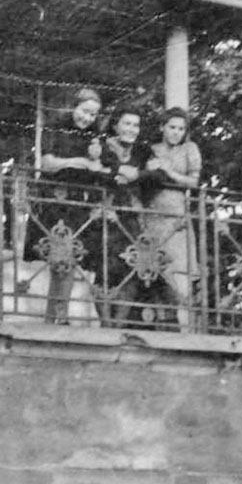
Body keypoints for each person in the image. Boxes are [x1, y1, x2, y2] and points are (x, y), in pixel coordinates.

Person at [33, 88, 107, 324]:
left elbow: (97, 169)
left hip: (78, 202)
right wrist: (77, 162)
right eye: (84, 111)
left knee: (70, 259)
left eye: (93, 115)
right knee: (59, 259)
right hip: (55, 199)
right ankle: (56, 316)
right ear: (74, 106)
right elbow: (46, 163)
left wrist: (95, 158)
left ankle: (56, 315)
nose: (87, 118)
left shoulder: (94, 135)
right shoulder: (55, 126)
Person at [141, 107, 202, 325]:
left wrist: (170, 173)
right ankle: (163, 324)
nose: (176, 132)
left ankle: (184, 326)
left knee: (180, 273)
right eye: (172, 127)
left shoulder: (189, 149)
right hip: (153, 217)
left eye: (181, 129)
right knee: (156, 273)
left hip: (177, 219)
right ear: (162, 127)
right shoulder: (151, 150)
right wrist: (150, 170)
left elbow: (194, 182)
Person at [94, 109, 150, 326]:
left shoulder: (142, 152)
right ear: (115, 126)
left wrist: (137, 175)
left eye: (136, 125)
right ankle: (106, 324)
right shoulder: (103, 147)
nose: (132, 129)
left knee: (131, 269)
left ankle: (118, 324)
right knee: (104, 271)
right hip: (105, 215)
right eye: (127, 124)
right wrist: (118, 171)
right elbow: (101, 170)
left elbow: (156, 173)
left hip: (131, 218)